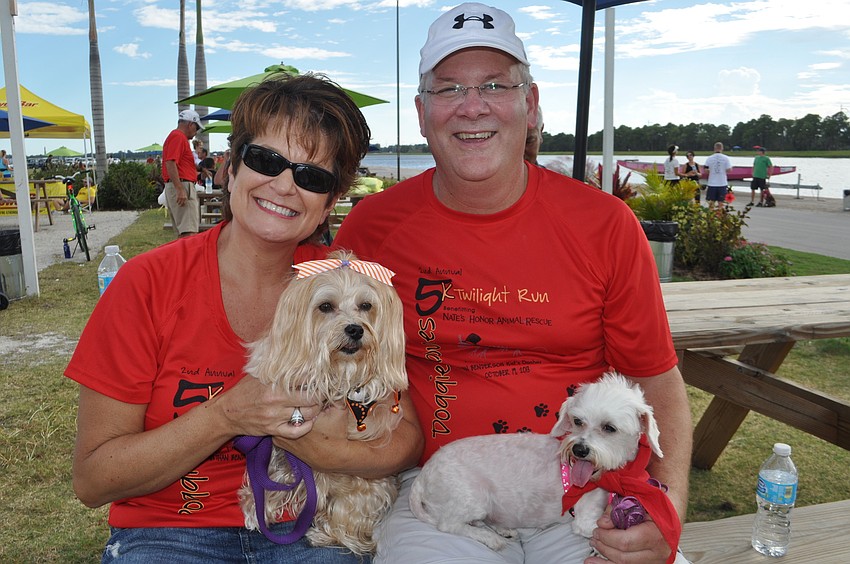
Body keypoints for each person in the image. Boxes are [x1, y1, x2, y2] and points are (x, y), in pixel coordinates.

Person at [334, 3, 692, 563]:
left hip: (588, 492)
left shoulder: (604, 224)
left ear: (530, 103)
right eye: (448, 89)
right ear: (422, 111)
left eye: (496, 84)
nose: (471, 106)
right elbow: (324, 346)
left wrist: (664, 507)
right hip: (439, 487)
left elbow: (657, 385)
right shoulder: (374, 228)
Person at [65, 74, 422, 563]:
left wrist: (311, 444)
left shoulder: (347, 285)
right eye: (266, 160)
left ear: (328, 205)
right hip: (171, 531)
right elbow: (93, 478)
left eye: (311, 176)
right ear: (231, 168)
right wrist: (227, 415)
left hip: (314, 525)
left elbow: (405, 441)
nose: (284, 185)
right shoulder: (147, 283)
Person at [162, 109, 203, 237]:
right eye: (196, 128)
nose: (196, 132)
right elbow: (170, 162)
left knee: (184, 232)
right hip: (183, 185)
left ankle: (184, 257)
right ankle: (189, 258)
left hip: (179, 184)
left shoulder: (176, 137)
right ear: (191, 124)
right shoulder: (178, 136)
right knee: (189, 232)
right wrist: (180, 189)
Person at [703, 141, 732, 209]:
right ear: (722, 148)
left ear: (714, 148)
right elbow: (729, 170)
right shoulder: (726, 158)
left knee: (711, 202)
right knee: (721, 203)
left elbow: (706, 170)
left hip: (712, 183)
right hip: (722, 183)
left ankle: (711, 217)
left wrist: (711, 171)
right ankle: (719, 216)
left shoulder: (709, 158)